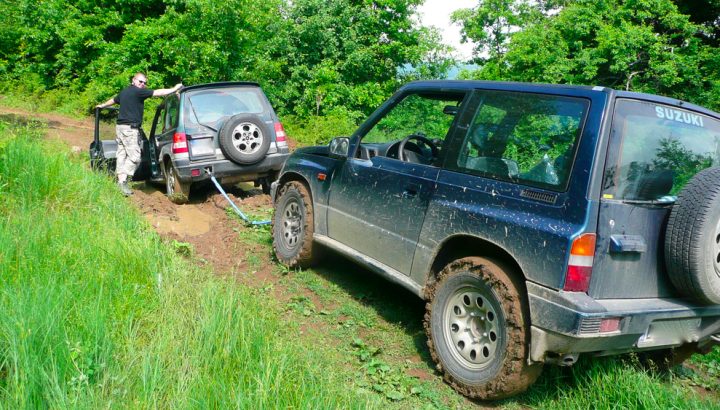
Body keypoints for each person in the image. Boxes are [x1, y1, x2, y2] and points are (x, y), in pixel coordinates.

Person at [96, 73, 182, 195]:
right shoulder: (138, 92)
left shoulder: (125, 92)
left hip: (120, 128)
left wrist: (103, 105)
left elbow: (114, 100)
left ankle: (120, 183)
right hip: (130, 129)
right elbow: (159, 93)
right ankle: (123, 182)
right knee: (135, 157)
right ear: (134, 80)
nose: (142, 85)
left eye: (144, 83)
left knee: (122, 155)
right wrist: (174, 89)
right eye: (140, 81)